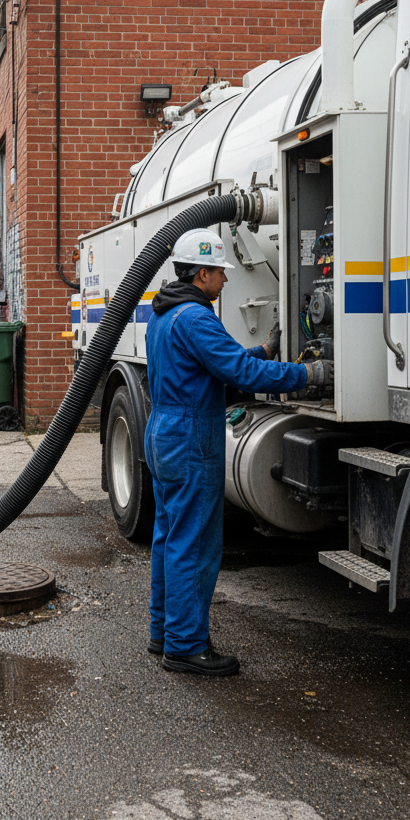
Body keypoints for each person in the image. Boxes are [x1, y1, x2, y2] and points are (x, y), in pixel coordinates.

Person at [144, 228, 332, 676]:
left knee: (168, 536)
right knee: (196, 543)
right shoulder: (196, 317)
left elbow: (211, 364)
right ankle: (186, 647)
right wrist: (307, 373)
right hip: (191, 437)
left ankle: (164, 633)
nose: (226, 281)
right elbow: (237, 370)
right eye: (220, 273)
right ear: (202, 273)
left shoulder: (164, 314)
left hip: (164, 431)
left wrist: (264, 349)